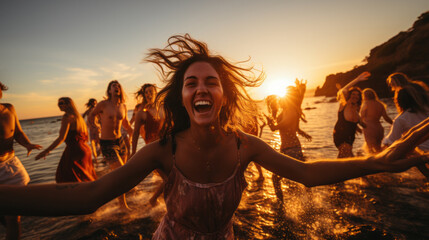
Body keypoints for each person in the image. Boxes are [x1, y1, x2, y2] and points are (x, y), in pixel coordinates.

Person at [1, 35, 428, 240]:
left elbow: (309, 173)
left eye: (211, 82)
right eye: (191, 83)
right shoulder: (161, 153)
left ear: (223, 97)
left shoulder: (246, 146)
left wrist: (375, 161)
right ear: (182, 98)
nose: (201, 88)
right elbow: (87, 196)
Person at [0, 82, 42, 240]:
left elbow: (18, 132)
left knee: (14, 217)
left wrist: (28, 144)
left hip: (11, 164)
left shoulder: (9, 108)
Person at [88, 80, 133, 210]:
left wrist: (132, 133)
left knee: (121, 174)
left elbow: (125, 124)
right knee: (120, 173)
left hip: (120, 142)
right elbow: (91, 115)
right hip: (107, 143)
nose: (117, 87)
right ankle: (122, 204)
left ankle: (118, 200)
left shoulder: (123, 106)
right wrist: (95, 127)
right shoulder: (103, 104)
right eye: (114, 86)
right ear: (109, 91)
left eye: (118, 86)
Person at [35, 97, 97, 183]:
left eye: (61, 103)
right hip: (86, 150)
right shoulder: (79, 118)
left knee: (65, 179)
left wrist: (46, 151)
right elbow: (86, 137)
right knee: (86, 179)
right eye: (58, 103)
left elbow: (61, 138)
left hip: (74, 151)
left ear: (68, 105)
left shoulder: (67, 117)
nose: (58, 105)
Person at [382, 86, 429, 176]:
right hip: (424, 155)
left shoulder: (401, 118)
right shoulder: (427, 111)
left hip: (422, 155)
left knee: (408, 148)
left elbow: (391, 141)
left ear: (398, 101)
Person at [131, 83, 165, 205]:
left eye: (151, 91)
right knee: (169, 177)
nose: (149, 94)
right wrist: (133, 152)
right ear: (144, 96)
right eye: (146, 92)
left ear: (156, 93)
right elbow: (135, 134)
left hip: (167, 145)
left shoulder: (163, 108)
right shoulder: (142, 113)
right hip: (153, 149)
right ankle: (154, 200)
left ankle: (157, 199)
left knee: (174, 175)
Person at [333, 72, 369, 158]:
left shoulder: (356, 109)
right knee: (347, 155)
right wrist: (357, 79)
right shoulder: (344, 104)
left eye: (357, 95)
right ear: (349, 95)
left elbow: (361, 123)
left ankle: (333, 170)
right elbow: (342, 91)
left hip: (350, 138)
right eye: (353, 94)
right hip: (340, 135)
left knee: (344, 157)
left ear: (360, 98)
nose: (355, 96)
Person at [360, 88, 393, 153]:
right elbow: (386, 118)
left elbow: (361, 117)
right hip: (379, 128)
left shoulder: (365, 104)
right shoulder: (380, 104)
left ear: (364, 96)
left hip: (369, 128)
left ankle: (372, 163)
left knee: (371, 150)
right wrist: (394, 123)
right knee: (378, 149)